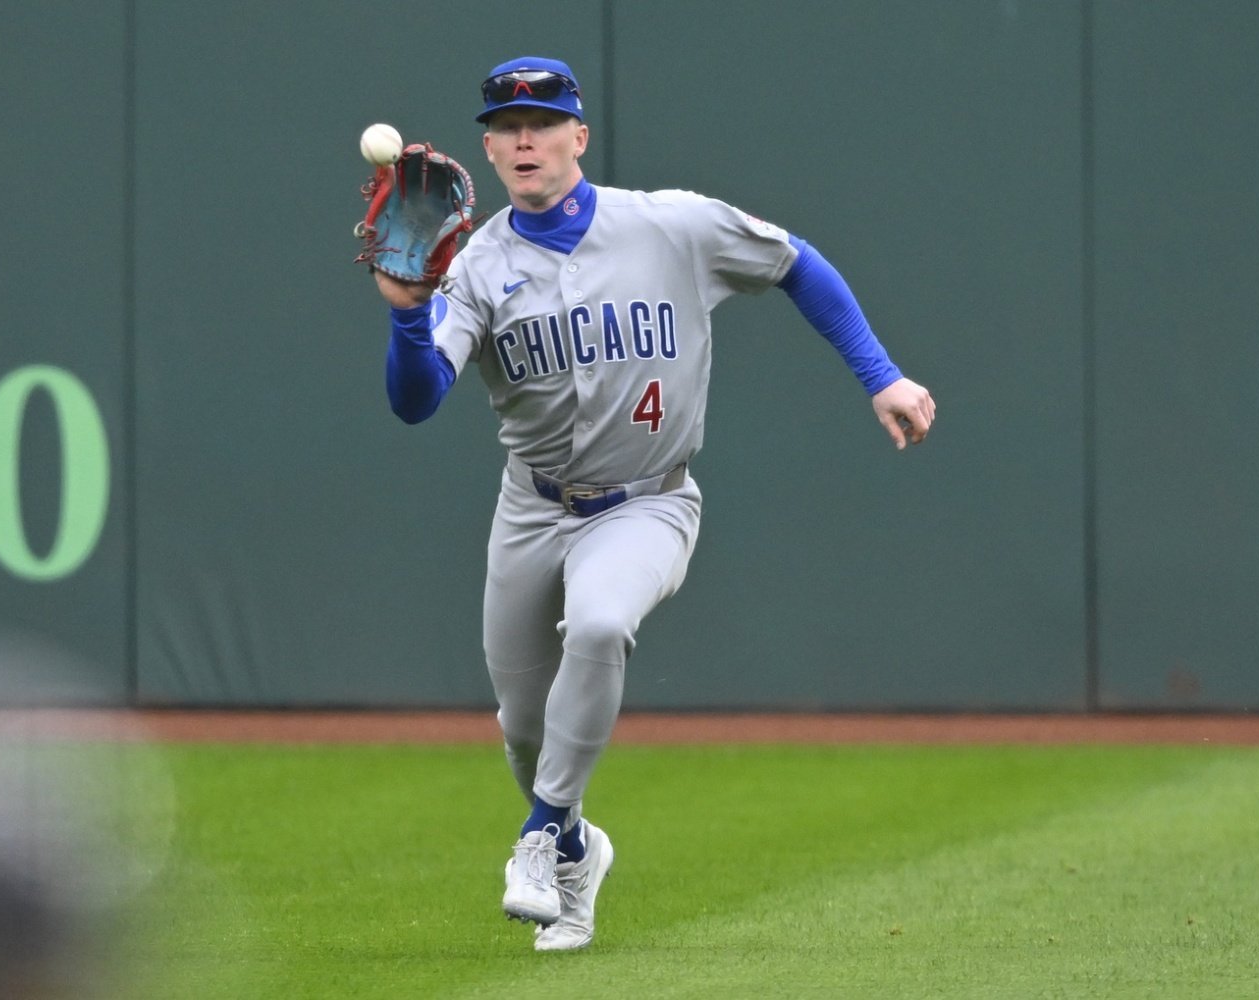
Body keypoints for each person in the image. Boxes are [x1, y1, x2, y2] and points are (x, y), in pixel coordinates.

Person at [369, 55, 936, 952]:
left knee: (599, 624)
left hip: (648, 503)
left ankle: (536, 838)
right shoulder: (475, 268)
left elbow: (796, 263)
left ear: (579, 137)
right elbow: (415, 399)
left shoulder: (670, 225)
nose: (525, 139)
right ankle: (575, 852)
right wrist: (407, 312)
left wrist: (882, 374)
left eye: (543, 123)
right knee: (523, 731)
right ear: (489, 148)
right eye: (507, 127)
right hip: (531, 509)